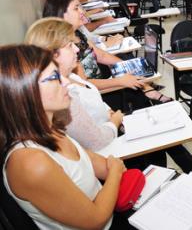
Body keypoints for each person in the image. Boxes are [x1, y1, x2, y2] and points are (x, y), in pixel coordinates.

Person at [25, 18, 192, 180]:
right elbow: (95, 140)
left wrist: (113, 113)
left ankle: (190, 169)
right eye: (69, 45)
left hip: (111, 124)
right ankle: (178, 177)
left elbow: (94, 101)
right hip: (110, 138)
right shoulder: (64, 93)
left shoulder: (69, 75)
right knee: (152, 121)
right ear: (52, 54)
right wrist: (116, 119)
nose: (76, 48)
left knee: (156, 120)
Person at [0, 44, 132, 229]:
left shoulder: (51, 128)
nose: (67, 82)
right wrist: (116, 172)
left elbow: (102, 166)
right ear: (24, 92)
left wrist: (114, 171)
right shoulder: (29, 162)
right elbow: (95, 220)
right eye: (54, 77)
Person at [42, 0, 171, 112]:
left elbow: (101, 54)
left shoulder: (77, 33)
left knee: (125, 63)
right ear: (61, 14)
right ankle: (149, 96)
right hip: (97, 95)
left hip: (101, 82)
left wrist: (129, 67)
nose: (82, 11)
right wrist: (121, 81)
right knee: (135, 91)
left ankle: (149, 91)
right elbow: (85, 84)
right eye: (76, 8)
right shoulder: (65, 49)